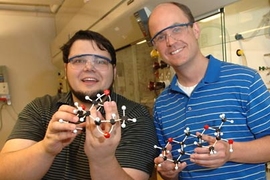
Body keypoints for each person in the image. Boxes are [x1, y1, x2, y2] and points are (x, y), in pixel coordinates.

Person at [0, 30, 158, 180]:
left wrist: (102, 159)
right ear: (65, 68)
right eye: (79, 60)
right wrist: (46, 148)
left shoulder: (135, 116)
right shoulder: (41, 108)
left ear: (114, 71)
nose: (89, 67)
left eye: (100, 61)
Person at [148, 2, 270, 180]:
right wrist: (168, 172)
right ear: (155, 48)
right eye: (160, 36)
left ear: (195, 30)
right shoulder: (162, 105)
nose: (170, 41)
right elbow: (171, 170)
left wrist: (230, 151)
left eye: (177, 29)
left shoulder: (246, 81)